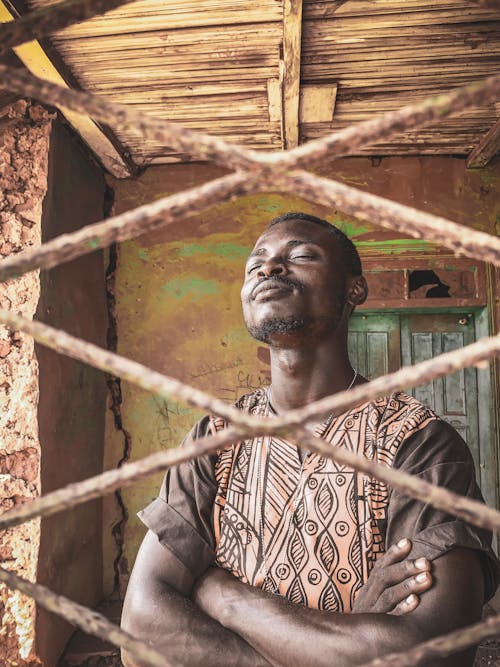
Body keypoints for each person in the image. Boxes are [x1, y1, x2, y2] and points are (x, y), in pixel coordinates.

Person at [121, 212, 498, 666]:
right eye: (255, 263)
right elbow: (141, 628)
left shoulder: (418, 444)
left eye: (299, 256)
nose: (269, 268)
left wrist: (225, 597)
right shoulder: (215, 438)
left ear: (353, 289)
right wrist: (340, 646)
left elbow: (427, 654)